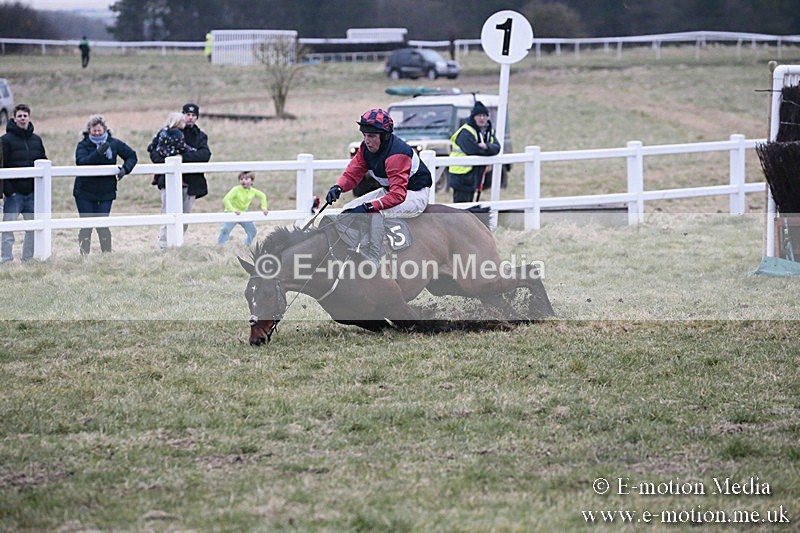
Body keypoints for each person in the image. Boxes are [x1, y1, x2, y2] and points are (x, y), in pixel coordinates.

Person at [325, 108, 432, 217]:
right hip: (389, 192)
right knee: (347, 210)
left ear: (385, 136)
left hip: (414, 195)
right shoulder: (365, 148)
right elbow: (352, 174)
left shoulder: (397, 155)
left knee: (370, 213)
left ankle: (379, 235)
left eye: (371, 136)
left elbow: (398, 195)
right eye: (364, 135)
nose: (366, 140)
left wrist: (369, 206)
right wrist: (338, 187)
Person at [148, 103, 211, 250]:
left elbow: (204, 155)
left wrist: (181, 157)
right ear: (182, 115)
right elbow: (154, 153)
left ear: (196, 118)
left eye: (193, 115)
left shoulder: (200, 136)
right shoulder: (165, 133)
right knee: (167, 214)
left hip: (191, 183)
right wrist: (170, 160)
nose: (190, 118)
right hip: (168, 181)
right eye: (187, 115)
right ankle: (164, 247)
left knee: (184, 217)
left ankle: (177, 247)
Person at [73, 114, 137, 255]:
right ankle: (84, 256)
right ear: (89, 130)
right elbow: (81, 162)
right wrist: (98, 153)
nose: (97, 133)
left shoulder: (114, 143)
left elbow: (132, 155)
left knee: (102, 225)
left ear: (105, 130)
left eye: (99, 130)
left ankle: (106, 255)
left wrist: (125, 169)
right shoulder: (83, 145)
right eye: (94, 130)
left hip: (106, 191)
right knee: (86, 225)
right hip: (84, 191)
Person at [1, 104, 47, 264]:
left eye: (25, 116)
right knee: (8, 229)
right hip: (14, 194)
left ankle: (28, 259)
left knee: (34, 228)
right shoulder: (5, 140)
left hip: (32, 193)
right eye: (19, 116)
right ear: (14, 118)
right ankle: (6, 259)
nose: (22, 118)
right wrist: (9, 191)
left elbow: (43, 160)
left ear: (29, 117)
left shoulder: (36, 140)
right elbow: (2, 166)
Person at [447, 101, 501, 203]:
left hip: (474, 175)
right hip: (461, 175)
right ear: (473, 117)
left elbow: (497, 148)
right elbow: (473, 150)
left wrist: (486, 146)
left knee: (470, 207)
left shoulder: (488, 131)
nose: (482, 118)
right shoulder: (465, 132)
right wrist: (488, 151)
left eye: (484, 115)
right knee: (461, 208)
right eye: (479, 115)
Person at [216, 171, 268, 246]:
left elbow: (262, 196)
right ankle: (219, 246)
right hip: (232, 213)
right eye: (241, 179)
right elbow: (226, 199)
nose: (243, 181)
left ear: (252, 181)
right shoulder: (236, 189)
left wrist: (264, 208)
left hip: (244, 212)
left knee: (252, 231)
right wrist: (233, 210)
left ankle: (246, 246)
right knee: (225, 230)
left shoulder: (253, 191)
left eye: (246, 179)